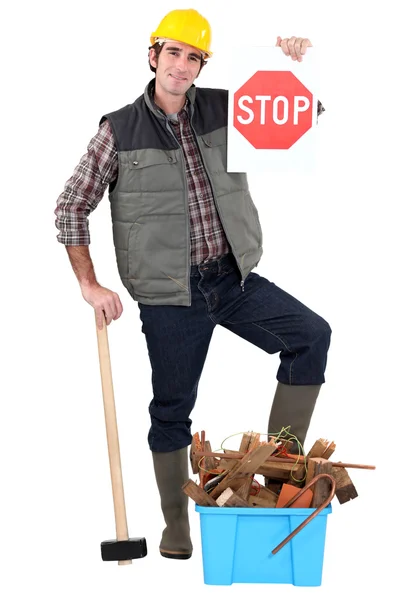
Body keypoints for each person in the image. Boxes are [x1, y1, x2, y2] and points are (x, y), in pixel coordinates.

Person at [55, 8, 331, 560]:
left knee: (311, 336)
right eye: (173, 53)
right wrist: (90, 285)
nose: (182, 66)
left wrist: (293, 66)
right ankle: (176, 523)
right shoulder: (119, 130)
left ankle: (278, 475)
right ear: (154, 55)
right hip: (169, 296)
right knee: (172, 408)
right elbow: (70, 208)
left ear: (203, 65)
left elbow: (304, 118)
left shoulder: (226, 107)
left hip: (233, 279)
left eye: (194, 57)